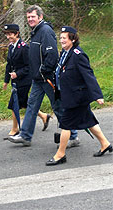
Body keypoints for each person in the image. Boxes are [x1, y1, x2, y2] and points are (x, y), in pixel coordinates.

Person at [8, 5, 78, 146]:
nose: (30, 19)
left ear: (40, 17)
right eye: (28, 17)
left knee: (58, 107)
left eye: (33, 16)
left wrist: (43, 71)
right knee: (32, 105)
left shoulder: (45, 31)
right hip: (38, 79)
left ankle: (73, 136)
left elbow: (51, 55)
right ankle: (26, 136)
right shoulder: (36, 31)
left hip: (47, 78)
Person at [46, 26, 112, 165]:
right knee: (89, 121)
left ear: (73, 39)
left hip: (77, 98)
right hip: (69, 95)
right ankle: (105, 144)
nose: (61, 40)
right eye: (61, 38)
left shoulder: (78, 55)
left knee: (66, 124)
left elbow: (88, 75)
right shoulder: (65, 53)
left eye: (64, 38)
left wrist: (97, 95)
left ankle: (60, 154)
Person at [2, 24, 51, 138]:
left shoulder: (24, 47)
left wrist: (17, 74)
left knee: (14, 104)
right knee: (24, 103)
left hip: (25, 80)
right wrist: (6, 80)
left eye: (10, 34)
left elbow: (29, 66)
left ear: (17, 33)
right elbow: (9, 65)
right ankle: (44, 116)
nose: (8, 37)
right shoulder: (11, 47)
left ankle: (15, 128)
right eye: (6, 34)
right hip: (16, 80)